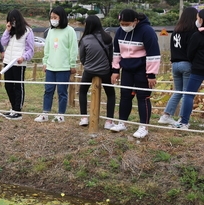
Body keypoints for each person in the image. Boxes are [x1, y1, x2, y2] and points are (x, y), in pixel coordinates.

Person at [110, 9, 160, 138]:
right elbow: (116, 52)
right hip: (127, 69)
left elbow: (153, 53)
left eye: (127, 23)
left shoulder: (147, 31)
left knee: (143, 97)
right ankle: (122, 122)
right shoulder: (120, 31)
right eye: (122, 23)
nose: (124, 26)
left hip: (142, 69)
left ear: (135, 21)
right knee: (125, 95)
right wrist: (115, 70)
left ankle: (144, 126)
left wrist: (151, 74)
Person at [35, 6, 78, 123]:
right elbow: (47, 48)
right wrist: (45, 62)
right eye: (51, 17)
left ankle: (61, 115)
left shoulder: (70, 31)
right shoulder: (50, 31)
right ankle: (45, 113)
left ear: (61, 17)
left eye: (55, 17)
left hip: (63, 67)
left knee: (62, 92)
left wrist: (72, 64)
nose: (53, 19)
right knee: (48, 90)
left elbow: (73, 49)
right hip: (50, 66)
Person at [158, 7, 199, 125]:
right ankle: (182, 119)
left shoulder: (176, 30)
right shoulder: (192, 32)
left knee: (178, 92)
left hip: (175, 64)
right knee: (187, 94)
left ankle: (166, 115)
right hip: (187, 64)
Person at [77, 15, 116, 129]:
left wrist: (88, 65)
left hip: (89, 70)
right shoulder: (108, 38)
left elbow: (82, 57)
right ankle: (109, 121)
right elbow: (111, 56)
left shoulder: (85, 39)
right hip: (105, 71)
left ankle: (84, 117)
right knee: (111, 94)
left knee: (82, 91)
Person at [171, 9, 204, 130]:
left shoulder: (197, 35)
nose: (197, 20)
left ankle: (184, 122)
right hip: (197, 68)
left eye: (198, 18)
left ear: (201, 20)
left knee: (189, 94)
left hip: (198, 69)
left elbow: (190, 53)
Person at [0, 9, 35, 120]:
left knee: (18, 86)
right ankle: (13, 108)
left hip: (18, 63)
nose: (12, 22)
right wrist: (7, 30)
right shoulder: (10, 32)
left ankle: (17, 110)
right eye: (10, 20)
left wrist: (23, 57)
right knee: (8, 86)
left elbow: (30, 49)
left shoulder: (28, 31)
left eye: (14, 20)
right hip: (8, 62)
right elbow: (2, 43)